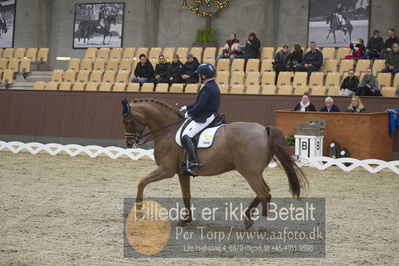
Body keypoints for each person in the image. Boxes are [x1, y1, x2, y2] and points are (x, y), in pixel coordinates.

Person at [178, 63, 221, 172]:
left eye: (200, 74)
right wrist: (186, 107)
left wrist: (190, 113)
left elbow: (200, 106)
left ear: (204, 76)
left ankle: (194, 161)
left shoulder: (207, 88)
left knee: (186, 135)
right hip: (211, 114)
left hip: (206, 115)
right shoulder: (212, 85)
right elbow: (198, 103)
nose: (199, 76)